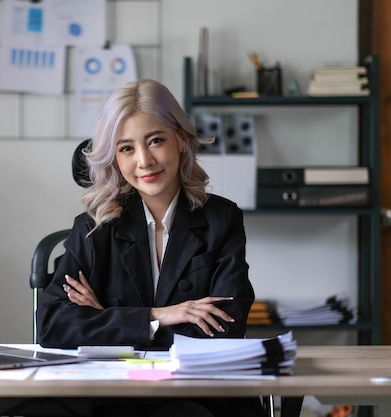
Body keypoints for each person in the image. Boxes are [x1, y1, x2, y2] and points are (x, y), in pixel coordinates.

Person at [36, 79, 266, 417]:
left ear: (182, 140)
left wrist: (105, 321)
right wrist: (157, 316)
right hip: (114, 395)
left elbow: (224, 332)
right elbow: (53, 325)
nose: (144, 161)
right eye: (126, 148)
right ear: (113, 157)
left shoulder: (222, 218)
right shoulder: (93, 227)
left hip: (202, 396)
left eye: (155, 140)